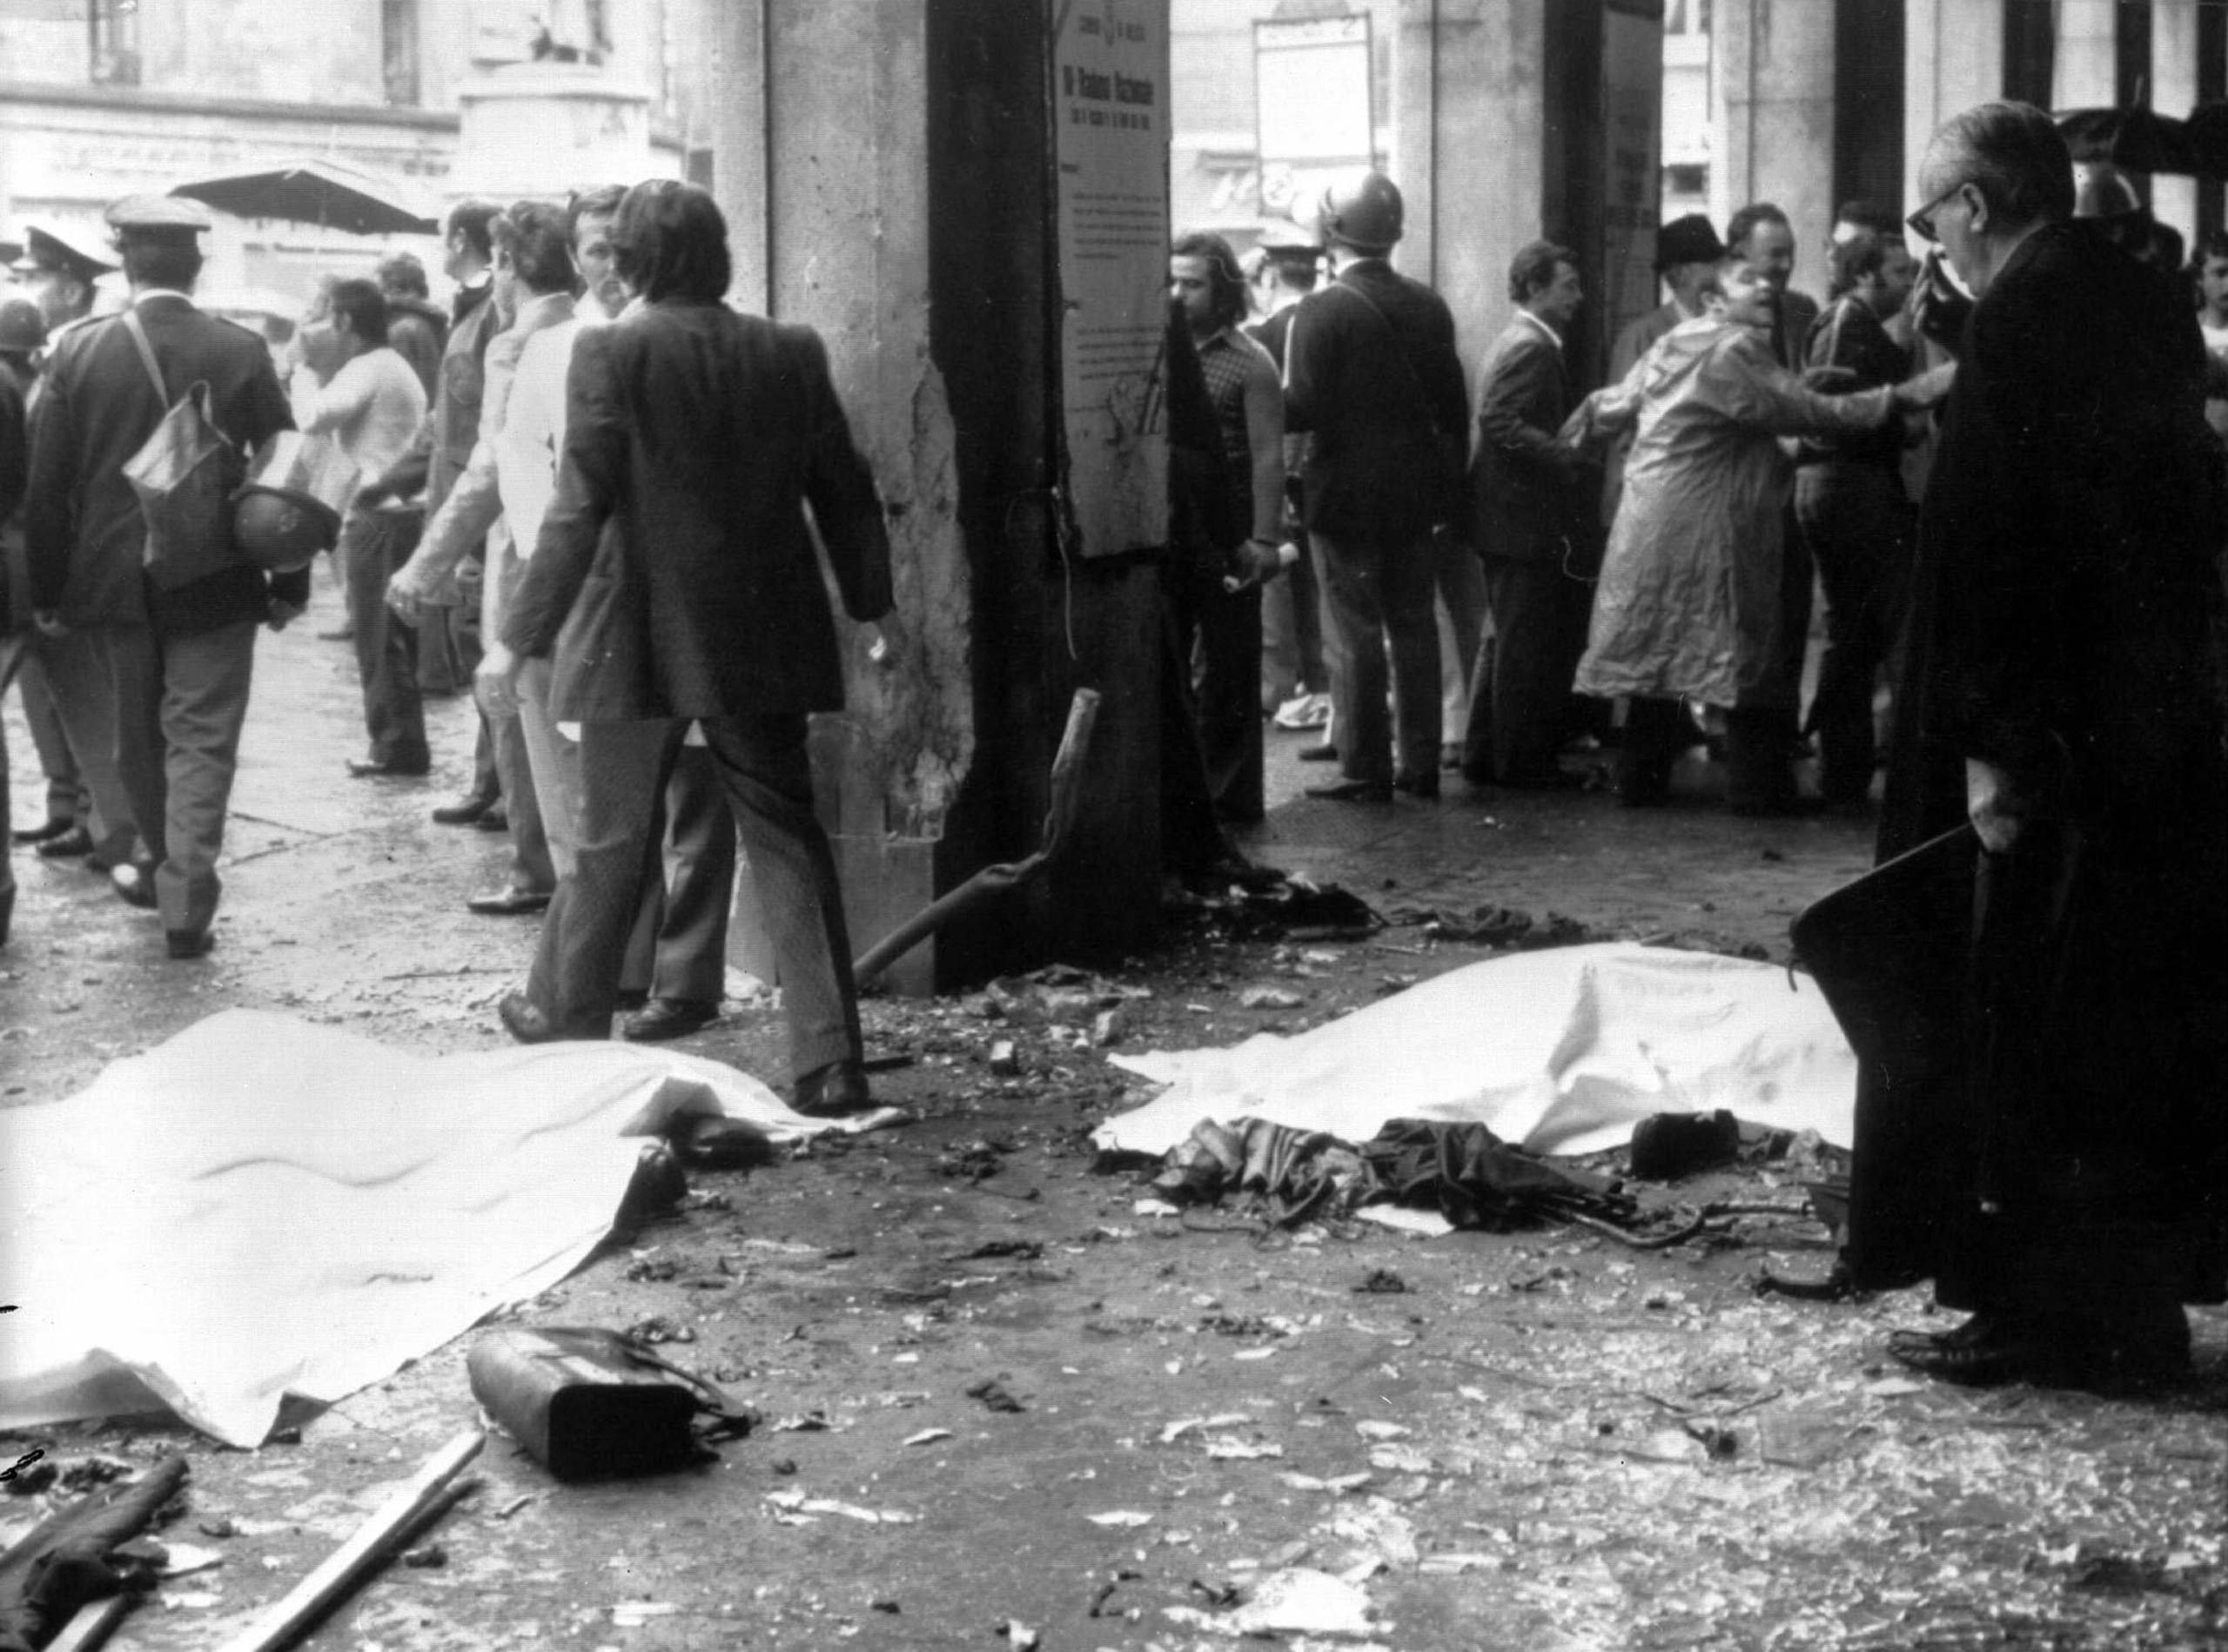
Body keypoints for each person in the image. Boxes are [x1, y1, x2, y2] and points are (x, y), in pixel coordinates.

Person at [1849, 102, 2226, 1387]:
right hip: (2143, 734)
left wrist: (1996, 743)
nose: (1930, 241)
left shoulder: (2022, 314)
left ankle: (2049, 1316)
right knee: (2125, 1021)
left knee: (2025, 1017)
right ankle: (2130, 1305)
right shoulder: (2137, 297)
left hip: (2053, 743)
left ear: (1972, 205)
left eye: (1929, 214)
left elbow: (2010, 552)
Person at [481, 180, 895, 1116]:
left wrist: (517, 638)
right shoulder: (789, 349)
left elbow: (579, 505)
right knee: (787, 840)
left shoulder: (609, 349)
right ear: (720, 255)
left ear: (629, 262)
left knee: (609, 843)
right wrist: (875, 608)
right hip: (759, 636)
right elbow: (844, 484)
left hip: (633, 635)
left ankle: (571, 1031)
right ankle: (831, 1060)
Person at [1560, 247, 1944, 809]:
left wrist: (1577, 438)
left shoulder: (1677, 341)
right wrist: (1908, 394)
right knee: (1741, 646)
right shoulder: (1734, 346)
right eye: (1748, 281)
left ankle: (1641, 784)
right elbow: (1814, 414)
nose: (1766, 287)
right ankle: (1759, 791)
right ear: (1714, 300)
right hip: (1709, 525)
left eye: (1766, 279)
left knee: (1659, 652)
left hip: (1650, 522)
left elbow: (1612, 407)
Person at [23, 195, 299, 959]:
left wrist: (49, 592)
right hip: (217, 574)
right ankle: (186, 900)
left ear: (123, 263)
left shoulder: (78, 351)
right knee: (203, 739)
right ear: (197, 264)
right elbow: (289, 474)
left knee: (134, 740)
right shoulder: (242, 350)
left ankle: (156, 861)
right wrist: (291, 579)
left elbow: (50, 491)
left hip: (112, 581)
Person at [387, 200, 578, 917]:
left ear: (505, 266)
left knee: (520, 715)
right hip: (581, 556)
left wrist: (424, 564)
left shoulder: (516, 341)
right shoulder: (586, 327)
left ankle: (542, 877)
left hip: (526, 556)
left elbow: (490, 467)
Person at [1282, 169, 1467, 803]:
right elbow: (1453, 410)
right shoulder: (1429, 305)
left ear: (1332, 232)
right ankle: (1421, 766)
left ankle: (1364, 768)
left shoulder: (1321, 309)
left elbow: (1301, 405)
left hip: (1343, 501)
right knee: (1413, 625)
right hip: (1414, 499)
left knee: (1355, 632)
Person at [365, 200, 507, 819]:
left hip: (481, 508)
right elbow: (439, 422)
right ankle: (492, 784)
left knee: (484, 642)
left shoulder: (491, 313)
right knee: (473, 640)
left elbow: (473, 426)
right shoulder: (467, 312)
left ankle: (499, 788)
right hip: (457, 500)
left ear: (460, 243)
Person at [5, 225, 139, 873]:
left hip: (61, 550)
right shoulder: (48, 352)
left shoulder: (81, 351)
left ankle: (107, 825)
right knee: (46, 691)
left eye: (36, 279)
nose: (27, 290)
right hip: (39, 551)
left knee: (82, 694)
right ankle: (71, 807)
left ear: (69, 287)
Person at [1792, 230, 1920, 810]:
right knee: (1876, 624)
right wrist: (1900, 419)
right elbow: (1825, 414)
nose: (1911, 281)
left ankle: (1844, 773)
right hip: (1849, 487)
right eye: (1900, 272)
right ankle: (1855, 770)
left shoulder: (1861, 325)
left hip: (1851, 485)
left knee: (1858, 629)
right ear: (1865, 275)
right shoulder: (1844, 325)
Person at [1462, 240, 1593, 791]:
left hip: (1505, 519)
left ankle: (1486, 756)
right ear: (1535, 288)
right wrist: (1564, 453)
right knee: (1522, 644)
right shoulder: (1532, 347)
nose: (1577, 299)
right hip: (1519, 521)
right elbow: (1499, 418)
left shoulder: (1521, 339)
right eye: (1567, 287)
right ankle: (1520, 763)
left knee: (1506, 639)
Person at [292, 278, 430, 779]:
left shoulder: (368, 367)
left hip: (379, 516)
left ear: (345, 322)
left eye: (326, 315)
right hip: (399, 512)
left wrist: (302, 369)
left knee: (377, 636)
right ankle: (400, 742)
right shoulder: (390, 366)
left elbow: (312, 417)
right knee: (388, 634)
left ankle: (393, 746)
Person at [1169, 232, 1284, 823]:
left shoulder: (1250, 361)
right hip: (1174, 528)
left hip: (1230, 525)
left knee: (1231, 668)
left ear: (1223, 291)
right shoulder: (1159, 354)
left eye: (1193, 283)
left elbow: (1268, 456)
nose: (1179, 294)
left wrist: (1265, 539)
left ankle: (1232, 798)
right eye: (1174, 281)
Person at [375, 252, 446, 400]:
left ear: (394, 287)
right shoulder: (434, 320)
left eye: (379, 287)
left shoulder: (400, 329)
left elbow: (396, 389)